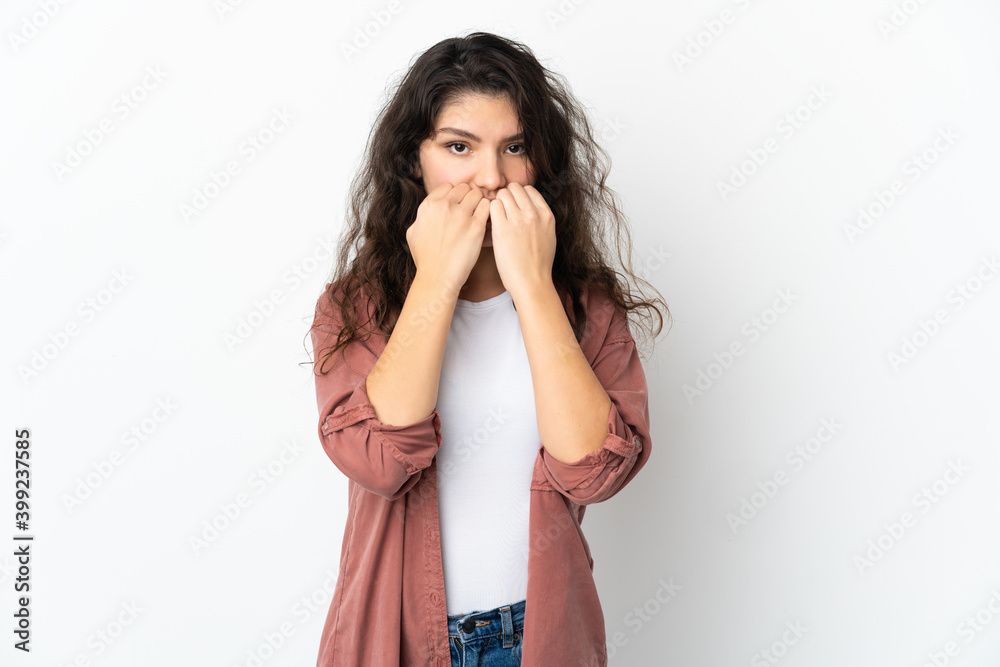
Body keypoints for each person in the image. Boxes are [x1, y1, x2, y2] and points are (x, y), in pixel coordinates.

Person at [308, 31, 668, 667]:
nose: (491, 177)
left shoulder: (588, 313)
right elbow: (381, 461)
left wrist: (531, 283)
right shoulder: (357, 307)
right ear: (413, 161)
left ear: (540, 163)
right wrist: (439, 278)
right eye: (458, 147)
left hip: (542, 637)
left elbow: (594, 470)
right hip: (400, 638)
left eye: (515, 148)